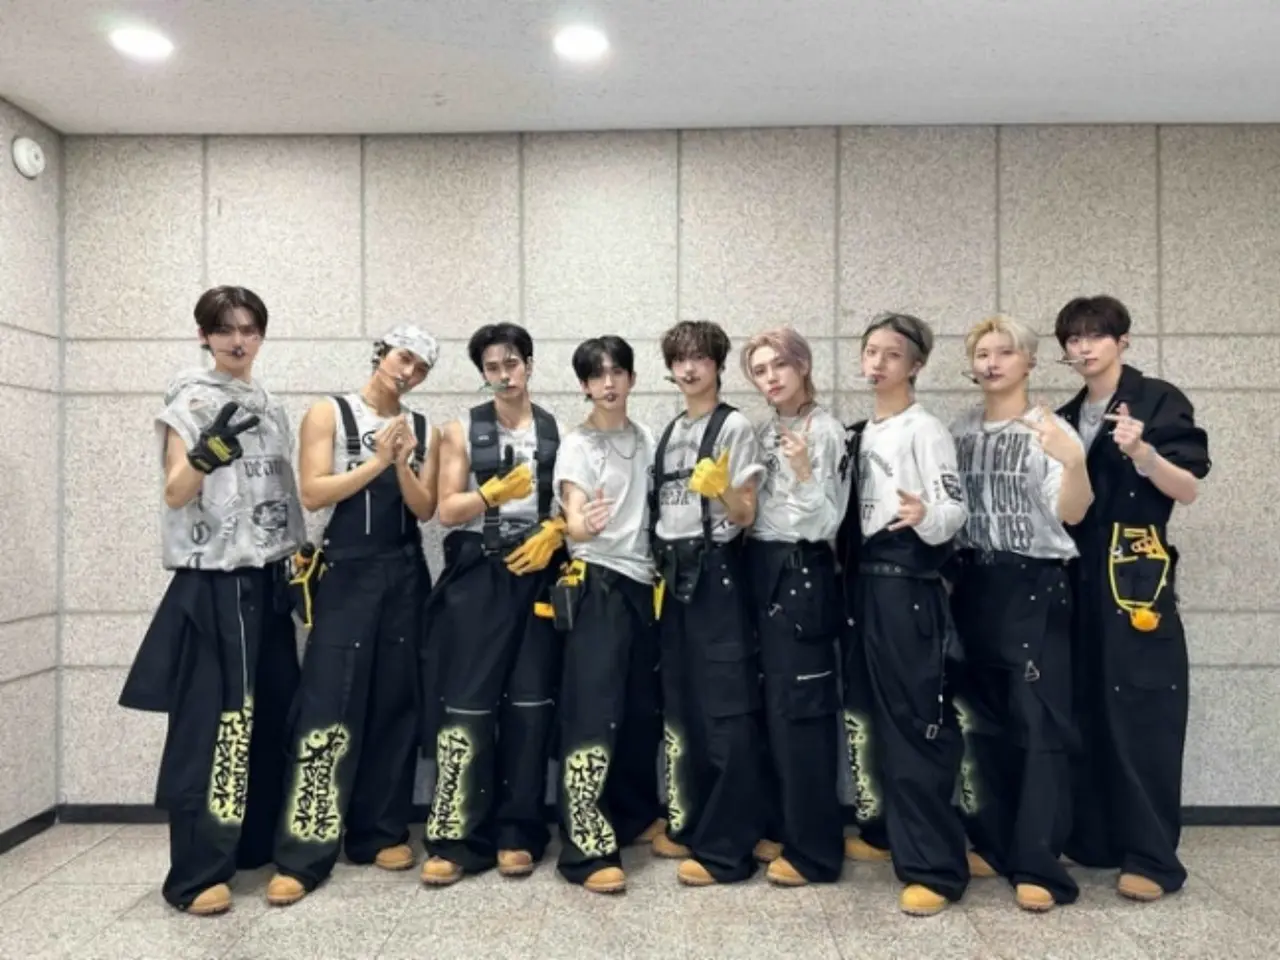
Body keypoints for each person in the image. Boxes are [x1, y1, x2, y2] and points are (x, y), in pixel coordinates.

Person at [118, 286, 304, 916]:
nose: (238, 340)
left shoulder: (270, 405)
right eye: (224, 330)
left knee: (271, 716)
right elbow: (176, 491)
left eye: (249, 329)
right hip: (217, 583)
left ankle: (249, 847)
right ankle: (197, 872)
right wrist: (204, 453)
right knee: (217, 726)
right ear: (204, 335)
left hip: (269, 577)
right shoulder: (190, 400)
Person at [265, 325, 441, 905]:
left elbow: (426, 508)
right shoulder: (330, 413)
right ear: (382, 353)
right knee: (327, 708)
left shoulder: (423, 427)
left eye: (421, 368)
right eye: (403, 358)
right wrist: (379, 459)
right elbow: (313, 492)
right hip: (345, 573)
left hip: (404, 573)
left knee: (396, 703)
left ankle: (380, 831)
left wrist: (404, 464)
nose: (408, 372)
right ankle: (304, 850)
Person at [1053, 295, 1210, 902]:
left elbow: (1188, 489)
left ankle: (1152, 856)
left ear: (1122, 341)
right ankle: (1095, 839)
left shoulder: (1157, 400)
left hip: (1135, 570)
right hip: (1076, 574)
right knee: (1086, 704)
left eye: (1096, 335)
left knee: (1143, 712)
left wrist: (1143, 454)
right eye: (1073, 338)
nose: (1084, 347)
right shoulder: (1066, 417)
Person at [947, 315, 1093, 912]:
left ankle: (1038, 861)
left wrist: (1074, 461)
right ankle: (995, 841)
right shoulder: (960, 429)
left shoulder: (1050, 428)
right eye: (982, 353)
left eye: (1005, 352)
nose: (992, 362)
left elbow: (1074, 513)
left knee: (1039, 724)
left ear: (1029, 362)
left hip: (1033, 581)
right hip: (972, 581)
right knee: (983, 723)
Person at [419, 322, 568, 886]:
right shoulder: (460, 430)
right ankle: (456, 837)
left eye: (512, 363)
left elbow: (569, 502)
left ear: (529, 364)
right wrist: (488, 494)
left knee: (530, 705)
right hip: (478, 576)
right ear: (483, 373)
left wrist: (556, 530)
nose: (504, 375)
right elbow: (445, 510)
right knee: (467, 707)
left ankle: (519, 832)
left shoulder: (558, 431)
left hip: (537, 574)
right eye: (492, 367)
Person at [835, 312, 970, 916]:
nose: (878, 363)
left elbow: (954, 510)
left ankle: (935, 869)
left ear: (915, 364)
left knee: (916, 724)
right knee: (871, 719)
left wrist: (926, 516)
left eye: (891, 354)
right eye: (871, 352)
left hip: (907, 586)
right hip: (862, 588)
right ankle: (889, 833)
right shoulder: (858, 432)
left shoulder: (926, 429)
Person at [649, 320, 765, 887]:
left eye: (699, 358)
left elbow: (746, 513)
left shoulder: (734, 426)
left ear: (717, 364)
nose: (689, 369)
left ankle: (728, 850)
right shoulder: (672, 429)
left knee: (726, 712)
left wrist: (721, 490)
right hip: (674, 578)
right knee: (686, 708)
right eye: (680, 360)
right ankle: (694, 824)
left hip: (719, 572)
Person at [552, 336, 665, 895]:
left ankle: (635, 815)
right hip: (596, 581)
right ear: (584, 385)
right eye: (597, 375)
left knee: (641, 710)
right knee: (592, 714)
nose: (609, 382)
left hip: (645, 584)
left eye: (618, 371)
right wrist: (584, 525)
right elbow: (572, 517)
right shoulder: (578, 444)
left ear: (632, 378)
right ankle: (586, 847)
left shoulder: (646, 437)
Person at [739, 327, 847, 887]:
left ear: (803, 365)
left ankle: (815, 851)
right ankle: (782, 826)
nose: (771, 378)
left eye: (779, 365)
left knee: (803, 711)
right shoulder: (761, 431)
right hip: (759, 567)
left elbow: (828, 521)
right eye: (759, 370)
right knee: (771, 710)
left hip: (802, 568)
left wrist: (804, 472)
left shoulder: (826, 431)